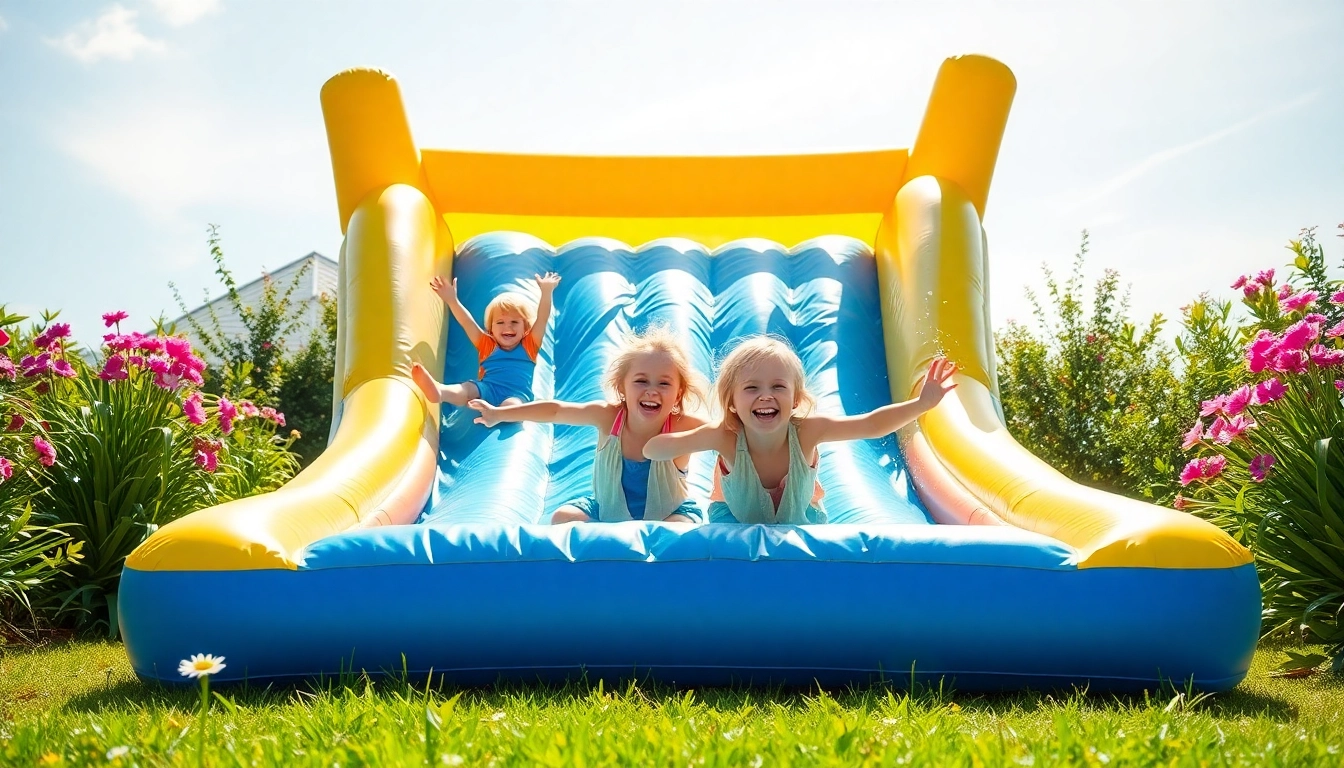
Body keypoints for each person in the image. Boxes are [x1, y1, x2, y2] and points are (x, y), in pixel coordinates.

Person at [644, 335, 957, 524]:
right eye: (751, 387)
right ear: (732, 404)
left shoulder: (807, 432)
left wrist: (921, 404)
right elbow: (653, 450)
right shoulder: (725, 436)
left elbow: (871, 425)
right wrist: (672, 438)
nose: (766, 395)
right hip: (735, 525)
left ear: (795, 399)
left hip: (801, 521)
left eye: (778, 386)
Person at [415, 326, 709, 523]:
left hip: (669, 513)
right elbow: (557, 411)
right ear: (622, 387)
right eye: (641, 381)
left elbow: (729, 436)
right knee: (562, 518)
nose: (651, 390)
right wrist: (500, 413)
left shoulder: (684, 426)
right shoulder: (609, 418)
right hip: (607, 512)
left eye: (664, 383)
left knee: (679, 530)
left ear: (679, 393)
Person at [413, 273, 560, 407]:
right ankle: (440, 392)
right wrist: (452, 300)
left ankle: (500, 414)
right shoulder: (487, 344)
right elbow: (466, 322)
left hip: (516, 395)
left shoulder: (530, 344)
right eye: (500, 323)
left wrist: (546, 292)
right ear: (490, 329)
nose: (507, 328)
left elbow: (542, 318)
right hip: (486, 389)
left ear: (526, 328)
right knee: (468, 389)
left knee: (512, 405)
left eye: (514, 322)